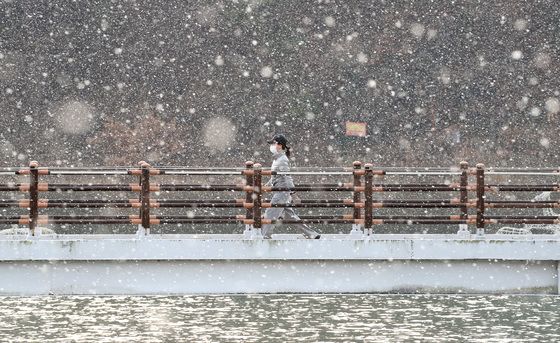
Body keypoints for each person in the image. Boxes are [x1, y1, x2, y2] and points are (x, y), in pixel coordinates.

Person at [261, 134, 321, 239]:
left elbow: (287, 178)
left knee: (270, 214)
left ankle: (264, 237)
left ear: (279, 145)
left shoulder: (282, 159)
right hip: (280, 191)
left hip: (282, 192)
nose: (271, 146)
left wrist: (293, 194)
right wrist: (265, 187)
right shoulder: (277, 159)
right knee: (291, 216)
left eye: (273, 143)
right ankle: (311, 234)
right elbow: (274, 177)